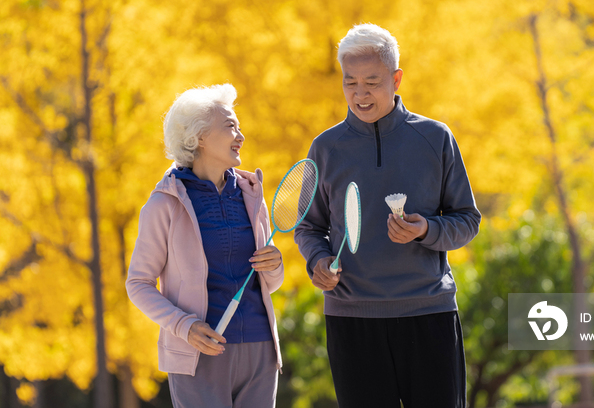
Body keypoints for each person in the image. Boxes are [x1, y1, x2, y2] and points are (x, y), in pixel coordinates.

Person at [294, 24, 481, 408]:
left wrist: (426, 229)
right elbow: (309, 226)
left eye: (372, 82)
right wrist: (319, 261)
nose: (360, 94)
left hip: (428, 313)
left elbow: (467, 220)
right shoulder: (325, 148)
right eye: (350, 83)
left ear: (396, 79)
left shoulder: (435, 137)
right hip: (352, 319)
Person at [126, 84, 284, 408]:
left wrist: (275, 266)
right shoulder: (165, 203)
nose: (240, 135)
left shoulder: (252, 194)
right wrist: (184, 327)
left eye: (239, 127)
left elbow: (271, 283)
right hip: (198, 354)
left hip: (260, 349)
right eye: (230, 127)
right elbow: (138, 284)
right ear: (198, 137)